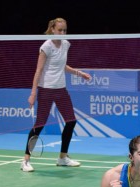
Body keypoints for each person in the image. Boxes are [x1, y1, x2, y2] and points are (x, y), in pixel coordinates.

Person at [21, 17, 91, 172]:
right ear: (52, 29)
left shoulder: (65, 44)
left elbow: (61, 65)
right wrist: (33, 93)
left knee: (71, 121)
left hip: (61, 89)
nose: (63, 32)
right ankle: (25, 160)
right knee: (39, 125)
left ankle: (62, 157)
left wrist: (79, 73)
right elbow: (38, 71)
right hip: (46, 89)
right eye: (60, 30)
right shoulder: (46, 46)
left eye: (65, 30)